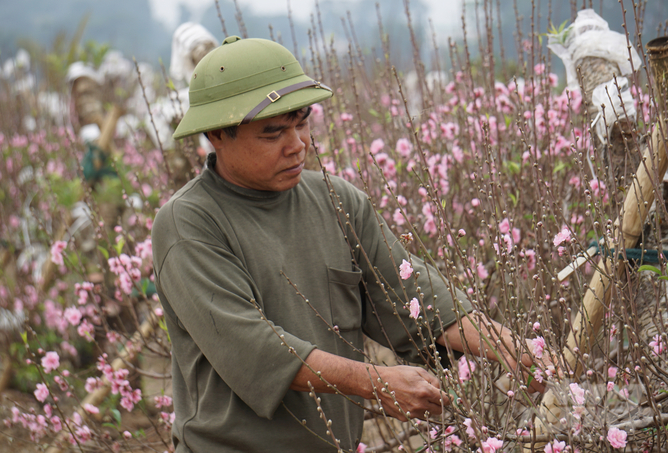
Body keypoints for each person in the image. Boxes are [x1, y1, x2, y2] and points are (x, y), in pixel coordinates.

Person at [152, 35, 543, 453]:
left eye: (301, 123)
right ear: (217, 136)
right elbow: (253, 348)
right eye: (273, 134)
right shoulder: (188, 223)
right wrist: (378, 383)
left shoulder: (338, 201)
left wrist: (514, 349)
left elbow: (413, 296)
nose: (297, 144)